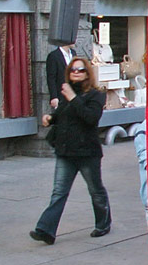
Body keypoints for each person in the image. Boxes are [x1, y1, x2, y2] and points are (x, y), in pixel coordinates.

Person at [29, 58, 111, 244]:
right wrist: (51, 118)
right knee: (59, 192)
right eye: (72, 69)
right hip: (65, 151)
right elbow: (63, 114)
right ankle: (46, 230)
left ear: (87, 73)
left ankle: (103, 223)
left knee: (95, 190)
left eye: (80, 69)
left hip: (86, 153)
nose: (76, 72)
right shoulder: (67, 92)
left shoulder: (96, 95)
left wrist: (73, 98)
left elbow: (90, 118)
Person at [45, 41, 76, 109]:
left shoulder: (73, 53)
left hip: (74, 93)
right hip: (61, 94)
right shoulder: (54, 56)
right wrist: (54, 96)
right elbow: (51, 78)